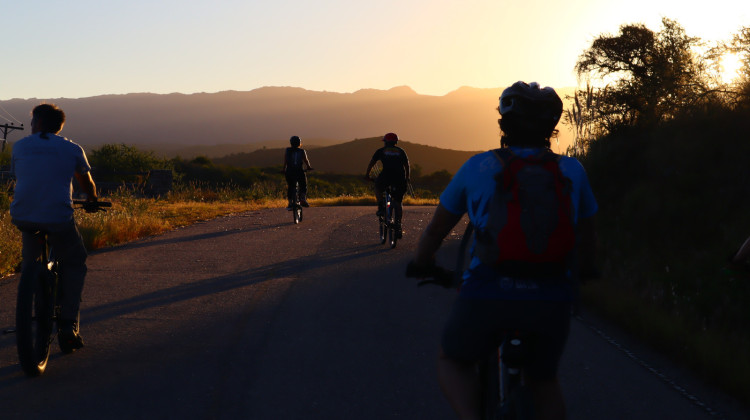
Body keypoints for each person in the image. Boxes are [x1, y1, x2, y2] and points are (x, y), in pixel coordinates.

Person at [408, 82, 598, 420]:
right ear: (551, 127)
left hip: (487, 292)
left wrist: (422, 262)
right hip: (552, 296)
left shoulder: (477, 168)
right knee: (543, 379)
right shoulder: (572, 171)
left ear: (503, 124)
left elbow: (436, 230)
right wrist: (585, 271)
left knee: (452, 359)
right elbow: (587, 237)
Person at [10, 103, 98, 352]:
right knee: (74, 261)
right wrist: (91, 200)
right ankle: (68, 323)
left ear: (37, 123)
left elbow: (23, 177)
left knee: (30, 262)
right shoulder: (71, 148)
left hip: (23, 216)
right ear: (59, 126)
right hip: (58, 218)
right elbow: (86, 182)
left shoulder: (20, 146)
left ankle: (30, 288)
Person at [364, 133, 410, 237]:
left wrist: (367, 175)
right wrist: (407, 178)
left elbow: (372, 163)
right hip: (400, 177)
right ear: (396, 142)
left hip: (386, 176)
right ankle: (398, 225)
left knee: (377, 186)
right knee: (398, 202)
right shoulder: (401, 151)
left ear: (385, 142)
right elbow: (407, 165)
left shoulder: (381, 151)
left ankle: (381, 207)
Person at [283, 135, 312, 209]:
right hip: (299, 171)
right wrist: (308, 167)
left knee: (291, 186)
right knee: (303, 185)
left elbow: (286, 161)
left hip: (289, 171)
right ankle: (302, 198)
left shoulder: (288, 150)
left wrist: (284, 169)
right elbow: (306, 160)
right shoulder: (302, 151)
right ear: (299, 143)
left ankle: (290, 203)